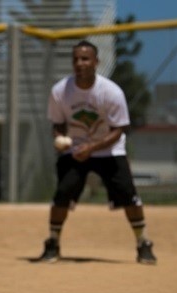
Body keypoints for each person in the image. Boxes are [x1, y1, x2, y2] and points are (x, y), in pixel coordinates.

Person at [38, 40, 156, 265]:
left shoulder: (110, 92)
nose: (79, 63)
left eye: (85, 59)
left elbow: (119, 130)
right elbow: (58, 123)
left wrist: (91, 148)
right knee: (62, 194)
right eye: (75, 59)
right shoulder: (60, 91)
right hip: (75, 150)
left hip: (109, 151)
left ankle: (143, 243)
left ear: (96, 62)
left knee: (128, 195)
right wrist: (60, 139)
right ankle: (52, 243)